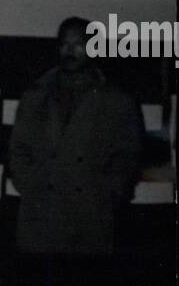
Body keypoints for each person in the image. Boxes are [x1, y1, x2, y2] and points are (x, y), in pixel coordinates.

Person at [8, 16, 143, 257]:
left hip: (91, 215)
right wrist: (29, 185)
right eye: (64, 44)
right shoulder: (35, 95)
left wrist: (110, 193)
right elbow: (18, 147)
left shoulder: (117, 100)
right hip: (41, 214)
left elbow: (128, 154)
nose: (70, 51)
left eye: (78, 44)